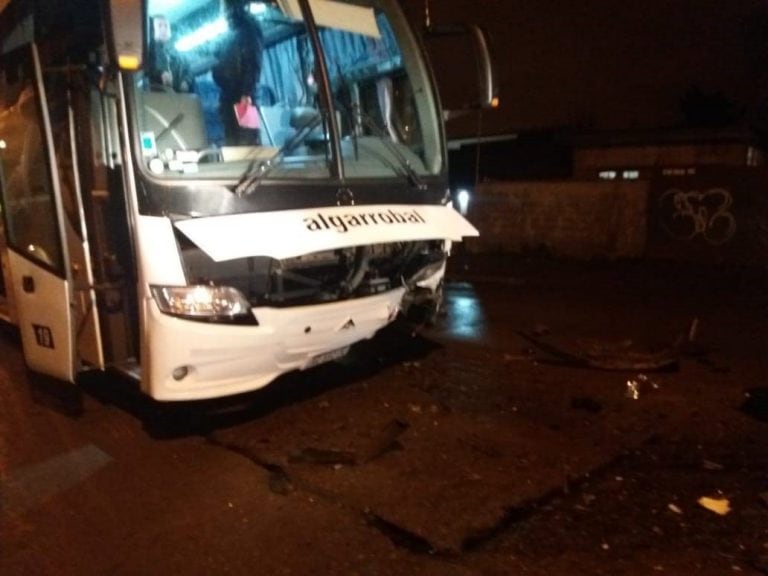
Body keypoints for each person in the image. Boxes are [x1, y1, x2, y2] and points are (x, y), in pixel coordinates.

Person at [212, 0, 264, 144]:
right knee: (232, 142)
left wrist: (247, 93)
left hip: (243, 97)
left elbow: (253, 62)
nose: (222, 10)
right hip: (227, 96)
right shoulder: (227, 34)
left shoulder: (248, 28)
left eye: (224, 6)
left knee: (247, 142)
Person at [147, 15, 195, 93]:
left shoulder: (180, 54)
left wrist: (186, 81)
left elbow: (188, 70)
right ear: (153, 30)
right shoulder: (148, 53)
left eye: (166, 26)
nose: (163, 29)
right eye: (159, 26)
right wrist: (160, 72)